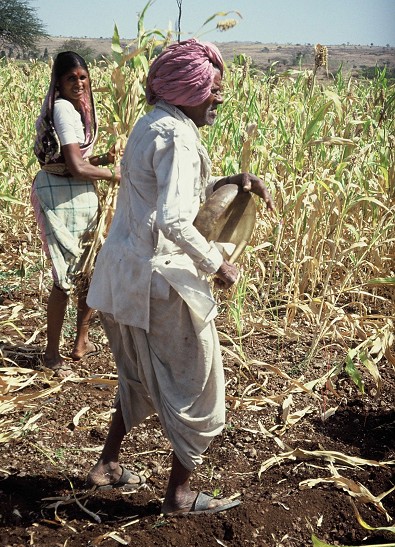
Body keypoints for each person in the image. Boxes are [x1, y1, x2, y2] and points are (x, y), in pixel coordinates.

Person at [86, 39, 274, 515]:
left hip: (121, 277)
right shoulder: (180, 137)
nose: (220, 97)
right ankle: (179, 494)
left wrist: (229, 182)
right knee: (200, 384)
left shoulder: (151, 125)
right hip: (160, 284)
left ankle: (108, 464)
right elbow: (173, 221)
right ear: (189, 87)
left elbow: (169, 198)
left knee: (136, 373)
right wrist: (217, 263)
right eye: (213, 88)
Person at [31, 51, 120, 378]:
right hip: (58, 194)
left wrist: (104, 159)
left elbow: (77, 159)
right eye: (71, 78)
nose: (79, 83)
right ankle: (52, 355)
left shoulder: (78, 110)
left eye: (83, 77)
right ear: (59, 82)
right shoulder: (64, 109)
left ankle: (81, 342)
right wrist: (116, 176)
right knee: (65, 279)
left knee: (88, 274)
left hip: (78, 192)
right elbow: (74, 165)